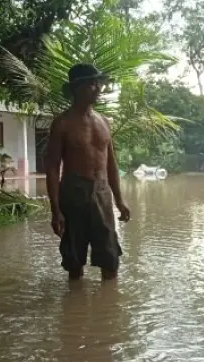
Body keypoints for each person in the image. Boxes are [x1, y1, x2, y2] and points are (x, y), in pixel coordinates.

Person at [45, 63, 130, 281]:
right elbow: (53, 168)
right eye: (92, 84)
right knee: (75, 258)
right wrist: (55, 210)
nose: (98, 88)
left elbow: (111, 164)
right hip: (74, 191)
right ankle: (74, 307)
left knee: (110, 257)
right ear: (77, 88)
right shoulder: (62, 124)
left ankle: (108, 309)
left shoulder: (104, 122)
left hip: (102, 192)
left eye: (98, 83)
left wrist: (119, 201)